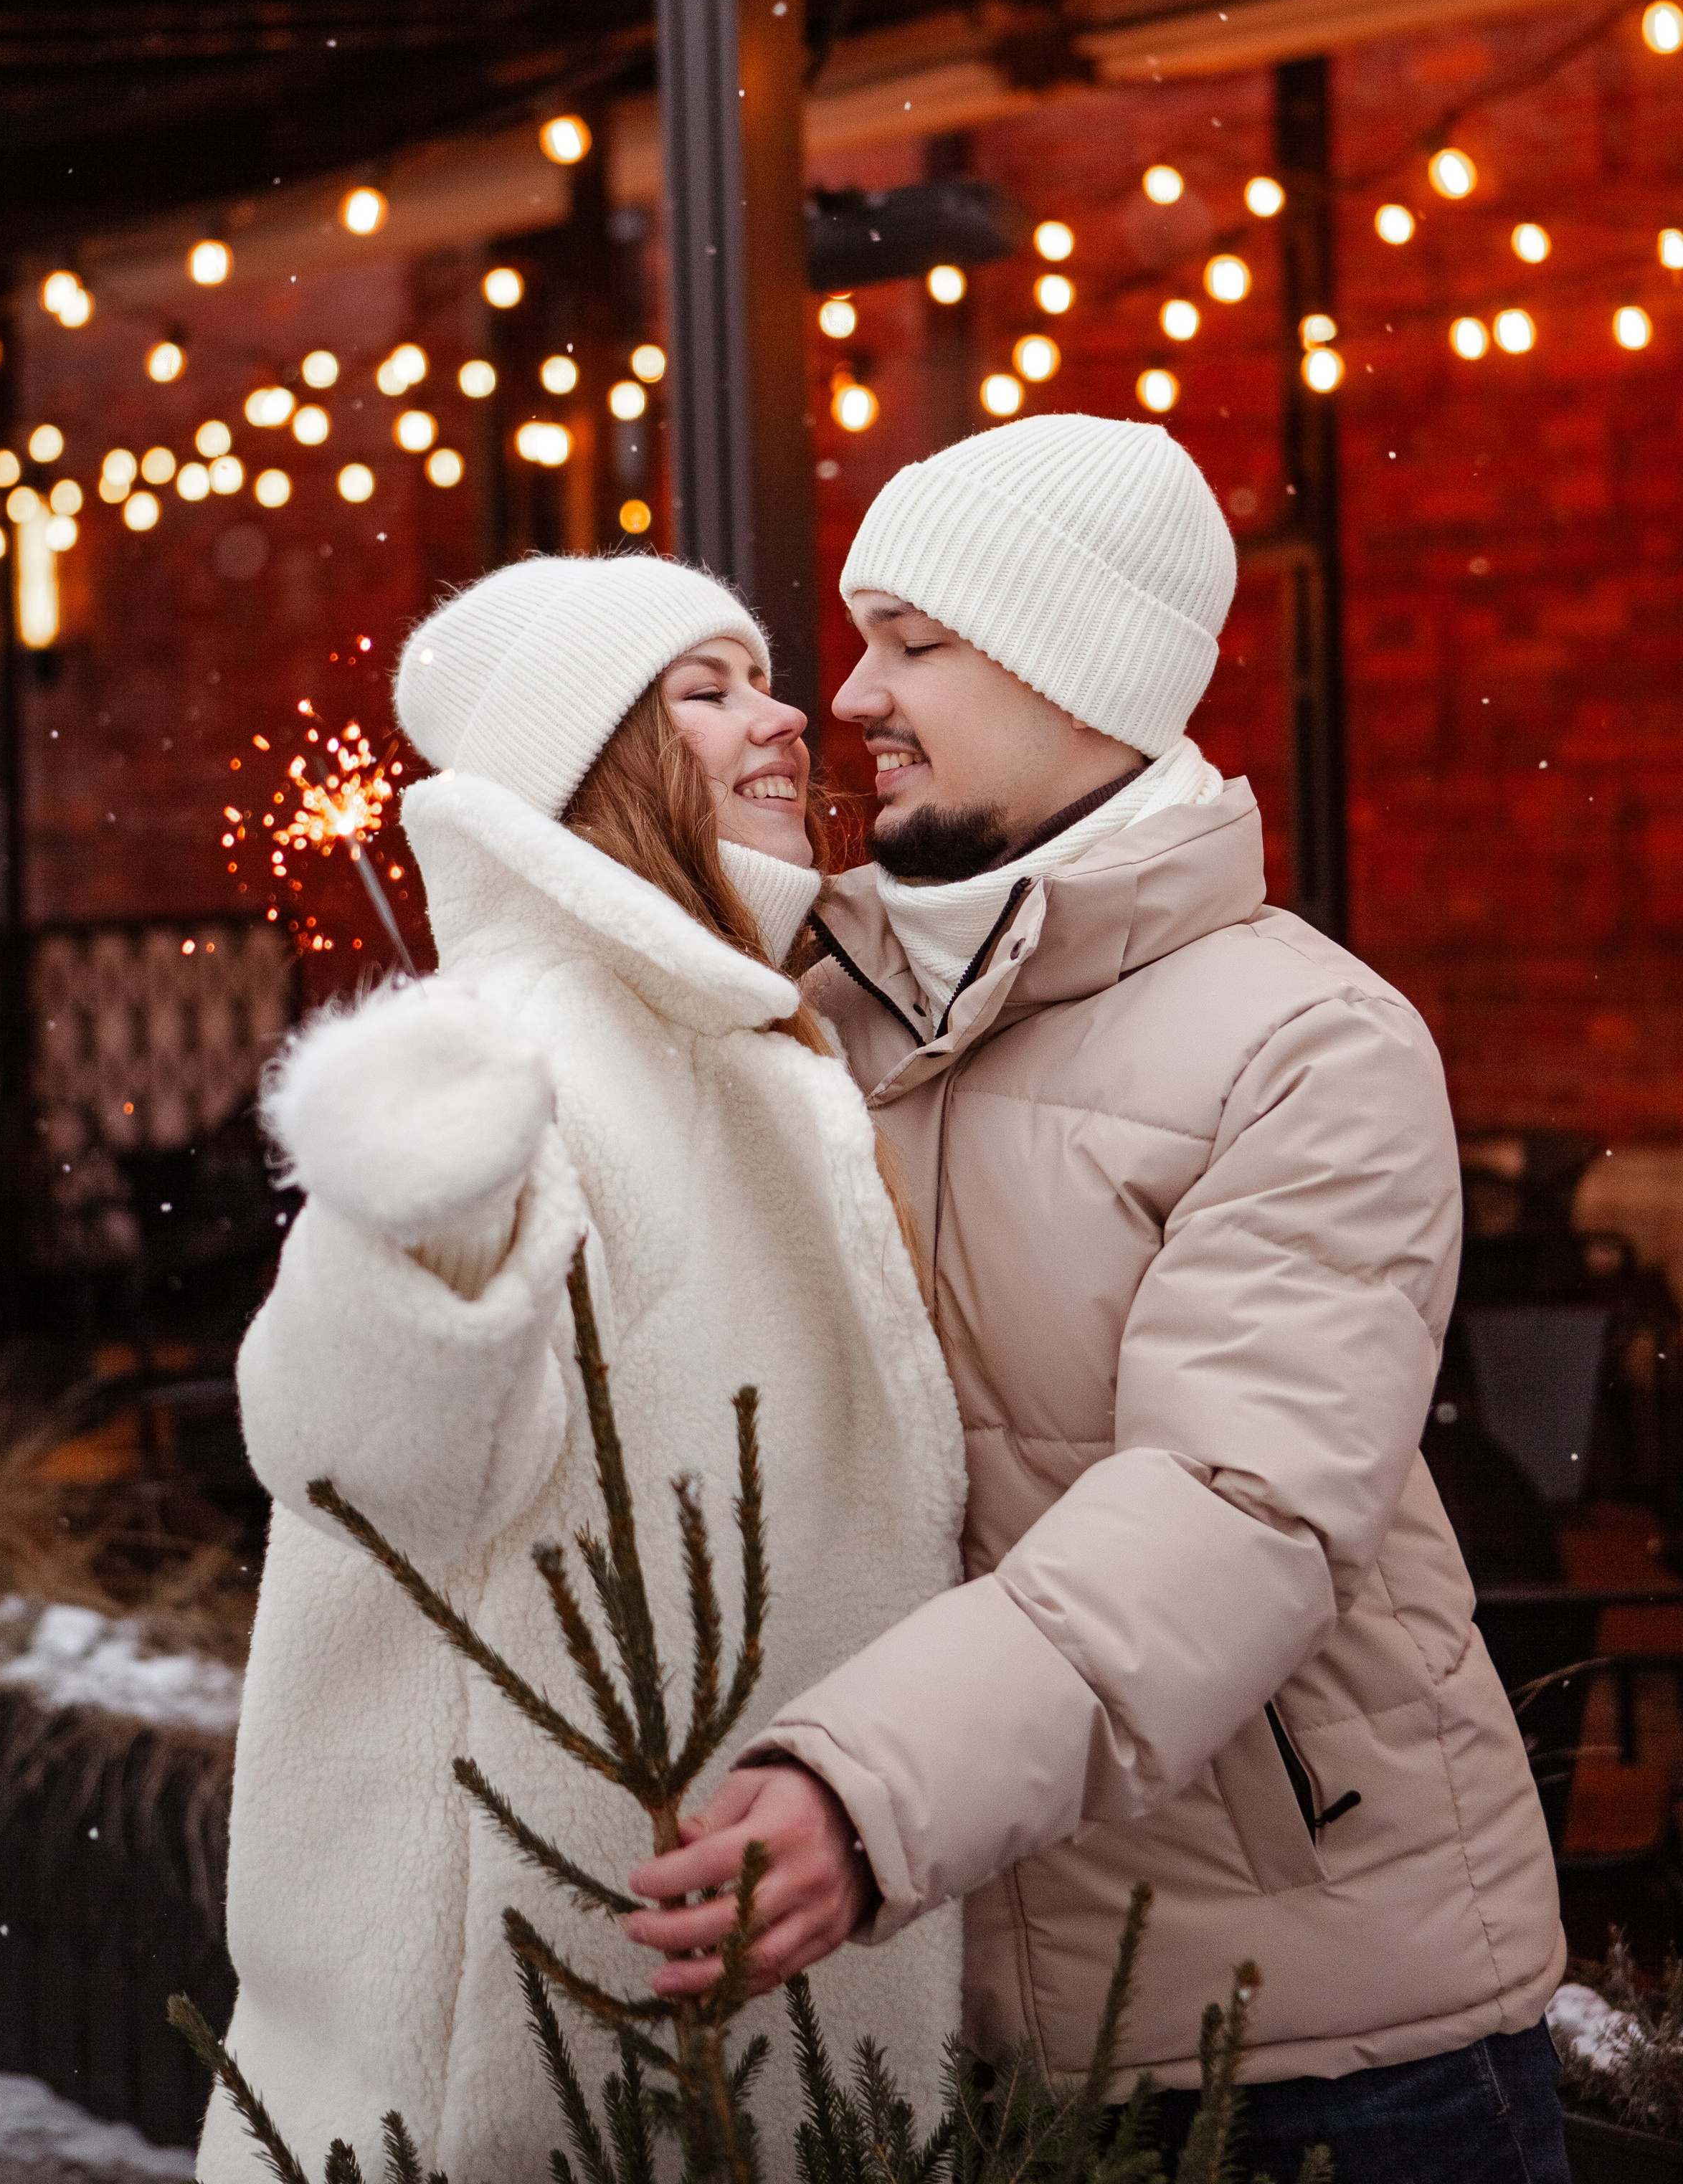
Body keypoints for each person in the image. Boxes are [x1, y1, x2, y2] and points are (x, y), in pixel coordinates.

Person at [623, 416, 1569, 2184]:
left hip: (1310, 2046)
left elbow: (1230, 1507)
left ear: (1077, 676)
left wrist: (863, 1787)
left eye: (914, 643)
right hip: (931, 2026)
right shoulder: (811, 1012)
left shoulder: (1303, 1041)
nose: (850, 697)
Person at [199, 554, 965, 2182]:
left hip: (720, 2016)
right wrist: (411, 1224)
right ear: (594, 763)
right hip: (519, 2049)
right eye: (707, 692)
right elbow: (362, 1458)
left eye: (761, 679)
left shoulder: (743, 1033)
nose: (785, 720)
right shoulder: (529, 1043)